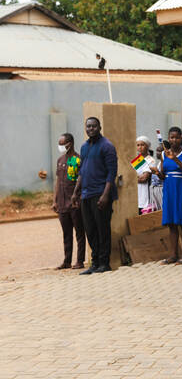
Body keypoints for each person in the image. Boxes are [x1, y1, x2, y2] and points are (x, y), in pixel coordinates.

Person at [71, 116, 117, 274]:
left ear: (99, 127)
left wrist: (105, 195)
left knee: (102, 229)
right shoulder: (84, 147)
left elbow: (112, 173)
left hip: (101, 193)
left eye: (94, 126)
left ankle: (105, 263)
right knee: (90, 230)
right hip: (86, 194)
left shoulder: (107, 146)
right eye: (88, 126)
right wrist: (75, 193)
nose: (91, 129)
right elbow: (82, 172)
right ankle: (94, 262)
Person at [153, 127, 182, 264]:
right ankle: (173, 254)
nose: (173, 140)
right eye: (171, 137)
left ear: (181, 138)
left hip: (181, 189)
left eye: (176, 137)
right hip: (168, 188)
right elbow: (163, 175)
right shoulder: (163, 154)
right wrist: (157, 173)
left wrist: (175, 160)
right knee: (171, 224)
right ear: (168, 138)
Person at [52, 133, 85, 270]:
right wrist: (54, 200)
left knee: (79, 232)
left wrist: (76, 196)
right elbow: (58, 181)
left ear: (69, 143)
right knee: (66, 233)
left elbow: (81, 179)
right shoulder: (60, 160)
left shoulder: (78, 160)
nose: (60, 146)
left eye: (62, 144)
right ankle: (67, 261)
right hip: (61, 202)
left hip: (74, 202)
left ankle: (80, 261)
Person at [135, 136, 157, 214]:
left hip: (145, 193)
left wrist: (133, 178)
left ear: (147, 146)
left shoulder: (150, 160)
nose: (140, 147)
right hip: (136, 193)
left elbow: (144, 178)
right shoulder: (137, 160)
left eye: (142, 145)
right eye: (138, 145)